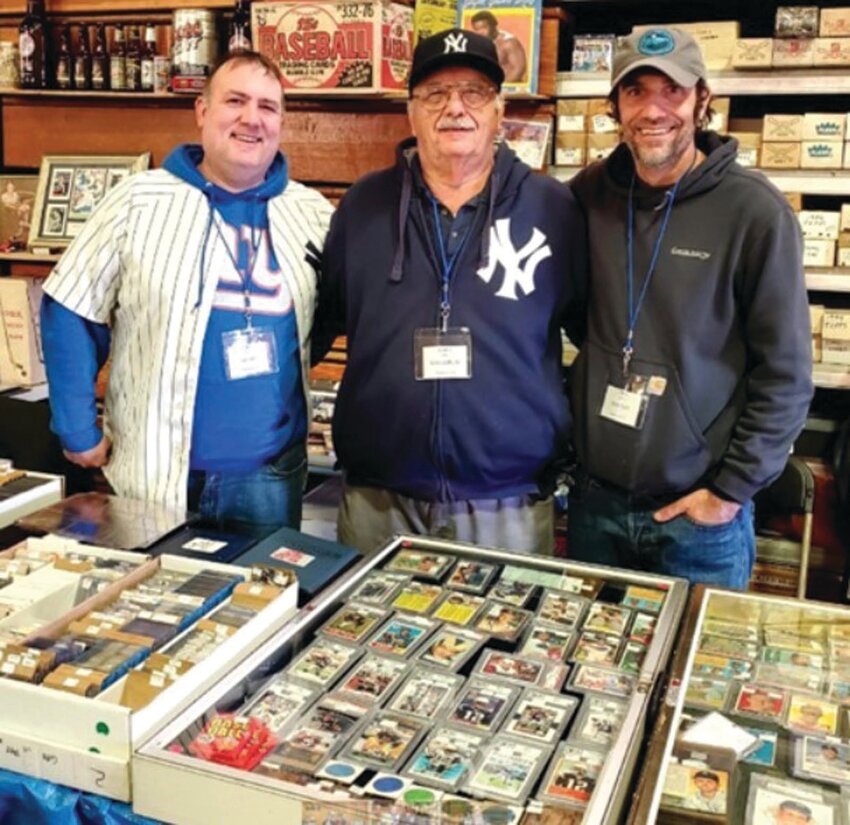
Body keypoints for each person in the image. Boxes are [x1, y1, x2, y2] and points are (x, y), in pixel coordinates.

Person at [318, 28, 587, 554]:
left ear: (498, 109)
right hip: (378, 498)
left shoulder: (552, 209)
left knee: (506, 635)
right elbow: (324, 321)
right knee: (360, 634)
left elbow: (593, 332)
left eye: (474, 93)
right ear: (411, 112)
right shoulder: (364, 207)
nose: (455, 109)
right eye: (435, 94)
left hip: (506, 499)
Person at [40, 51, 333, 532]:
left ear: (282, 120)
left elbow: (323, 322)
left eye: (267, 106)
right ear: (202, 110)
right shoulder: (137, 200)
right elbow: (71, 306)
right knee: (146, 603)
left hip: (269, 477)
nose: (251, 119)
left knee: (267, 603)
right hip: (152, 470)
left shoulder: (313, 214)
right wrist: (76, 428)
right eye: (235, 101)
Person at [567, 27, 813, 588]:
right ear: (615, 107)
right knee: (583, 675)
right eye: (635, 93)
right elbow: (574, 314)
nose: (653, 110)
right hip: (595, 508)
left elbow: (787, 373)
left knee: (690, 675)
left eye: (671, 92)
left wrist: (730, 492)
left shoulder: (755, 212)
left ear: (702, 101)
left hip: (699, 523)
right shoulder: (587, 197)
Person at [470, 11, 527, 84]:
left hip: (507, 89)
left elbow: (518, 71)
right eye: (477, 29)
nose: (480, 32)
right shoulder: (479, 43)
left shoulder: (508, 42)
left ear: (494, 25)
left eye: (484, 27)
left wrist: (500, 86)